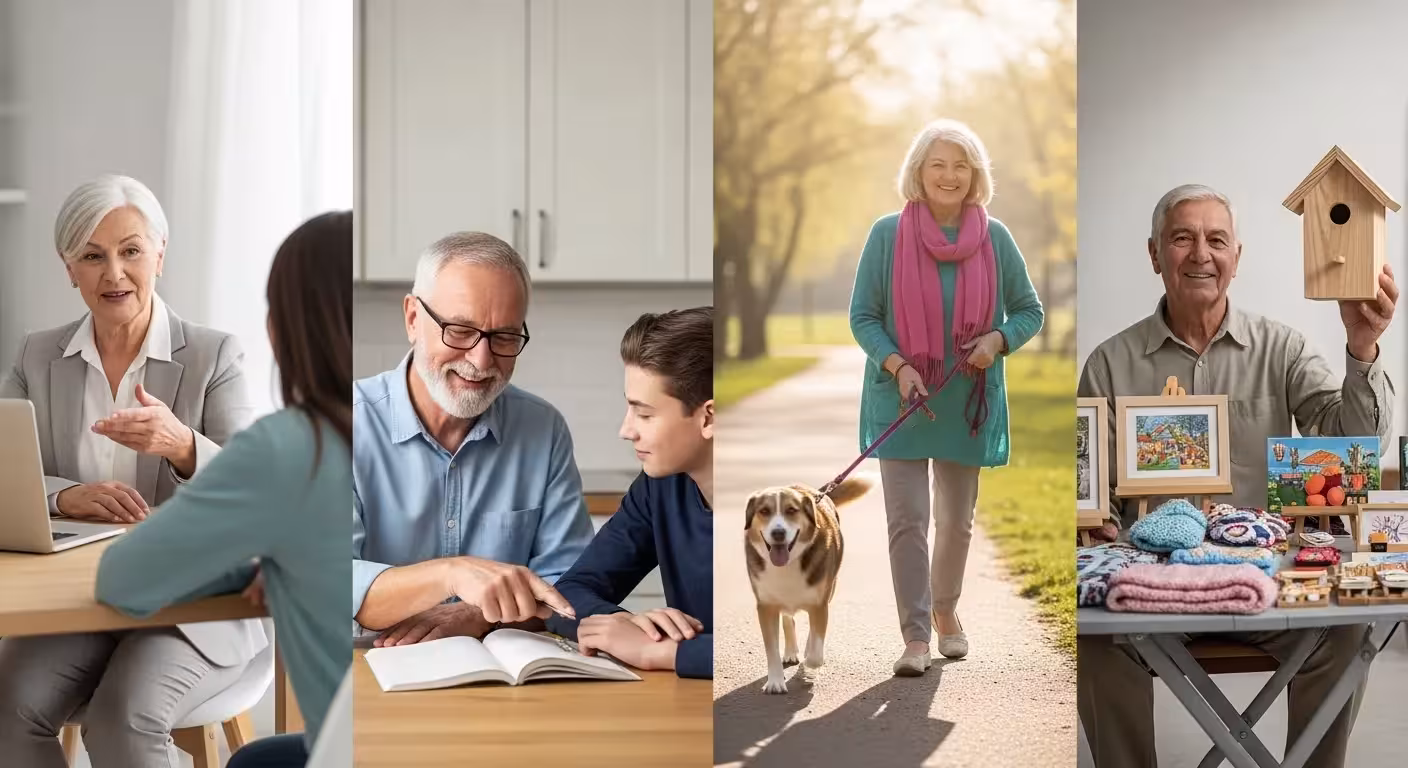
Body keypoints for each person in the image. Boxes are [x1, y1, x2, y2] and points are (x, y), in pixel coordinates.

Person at [1077, 183, 1397, 768]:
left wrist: (1362, 347)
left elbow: (1353, 446)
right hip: (1147, 585)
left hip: (1264, 578)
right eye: (1182, 238)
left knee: (1344, 631)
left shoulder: (1284, 348)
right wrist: (1092, 519)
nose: (1201, 253)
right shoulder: (1108, 363)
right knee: (1093, 642)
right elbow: (1086, 488)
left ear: (1237, 258)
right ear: (1154, 255)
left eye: (1216, 240)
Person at [0, 175, 266, 767]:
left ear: (160, 255)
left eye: (131, 251)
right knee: (7, 711)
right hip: (74, 601)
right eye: (92, 256)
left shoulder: (215, 354)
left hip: (194, 606)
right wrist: (65, 497)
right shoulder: (34, 356)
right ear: (68, 267)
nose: (113, 273)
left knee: (122, 720)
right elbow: (5, 476)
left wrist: (183, 445)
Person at [93, 210, 353, 767]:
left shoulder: (288, 446)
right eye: (92, 255)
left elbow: (123, 579)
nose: (112, 271)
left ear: (284, 329)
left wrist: (261, 557)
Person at [849, 118, 1045, 676]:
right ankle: (914, 636)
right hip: (902, 396)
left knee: (956, 522)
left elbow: (1029, 310)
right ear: (919, 171)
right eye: (938, 164)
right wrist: (898, 364)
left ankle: (945, 612)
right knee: (906, 520)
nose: (949, 175)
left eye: (961, 165)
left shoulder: (995, 237)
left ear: (975, 174)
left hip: (967, 401)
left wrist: (998, 339)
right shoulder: (887, 235)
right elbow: (863, 316)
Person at [353, 232, 591, 647]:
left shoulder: (543, 430)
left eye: (504, 337)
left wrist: (477, 616)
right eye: (460, 330)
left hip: (504, 685)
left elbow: (569, 587)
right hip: (367, 677)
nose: (481, 361)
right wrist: (452, 573)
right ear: (413, 318)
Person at [545, 308, 714, 678]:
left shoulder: (773, 512)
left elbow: (782, 646)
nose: (626, 430)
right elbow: (569, 594)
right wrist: (628, 628)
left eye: (645, 414)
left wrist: (666, 652)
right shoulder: (659, 488)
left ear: (709, 418)